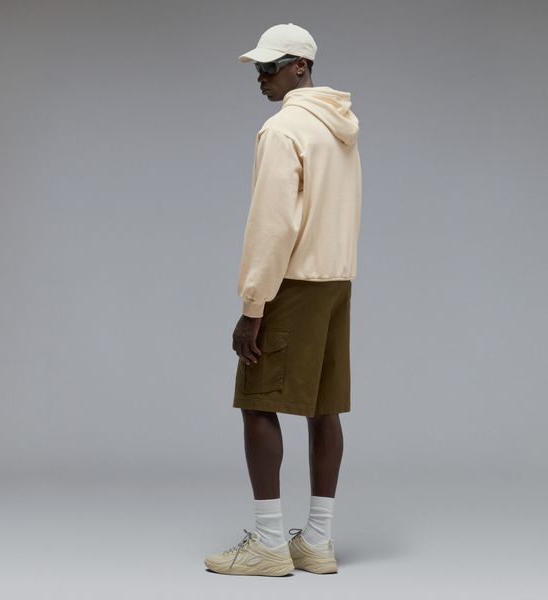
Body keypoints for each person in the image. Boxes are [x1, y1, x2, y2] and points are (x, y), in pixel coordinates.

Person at [204, 22, 362, 576]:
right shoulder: (341, 128)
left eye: (271, 67)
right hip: (336, 281)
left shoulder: (283, 130)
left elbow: (272, 227)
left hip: (292, 283)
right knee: (323, 407)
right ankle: (317, 541)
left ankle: (270, 544)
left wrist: (253, 307)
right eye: (259, 67)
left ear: (301, 67)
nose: (262, 77)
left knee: (257, 400)